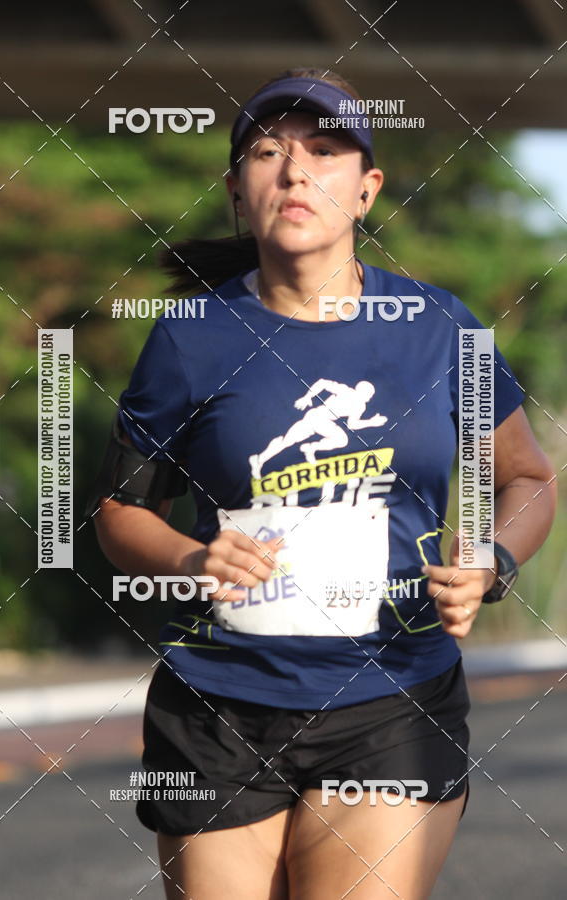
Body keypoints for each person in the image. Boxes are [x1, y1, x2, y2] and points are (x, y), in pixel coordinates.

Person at [90, 68, 557, 899]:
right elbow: (120, 514)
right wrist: (194, 560)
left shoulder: (440, 326)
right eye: (269, 151)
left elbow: (526, 476)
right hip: (217, 701)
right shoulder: (188, 338)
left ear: (367, 189)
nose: (296, 170)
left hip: (392, 694)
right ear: (239, 190)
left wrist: (492, 559)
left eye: (326, 150)